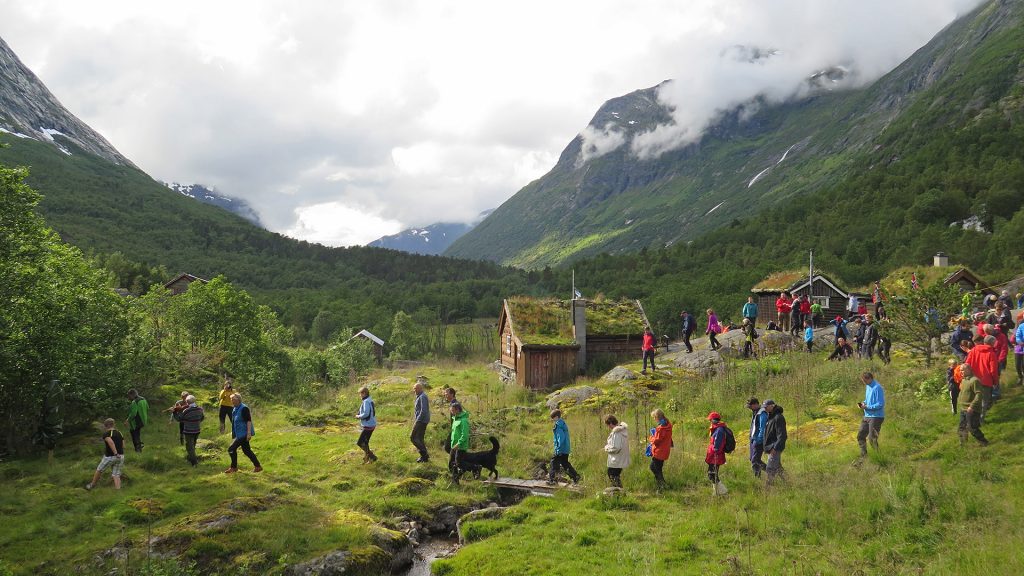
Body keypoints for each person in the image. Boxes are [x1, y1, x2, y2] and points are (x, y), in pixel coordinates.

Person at [225, 393, 262, 473]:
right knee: (246, 450)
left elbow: (248, 421)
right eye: (231, 399)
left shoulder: (244, 408)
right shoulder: (235, 408)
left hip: (244, 433)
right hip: (239, 433)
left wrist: (249, 433)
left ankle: (233, 468)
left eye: (233, 399)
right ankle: (258, 467)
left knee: (231, 449)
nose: (232, 401)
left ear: (238, 400)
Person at [965, 335, 998, 419]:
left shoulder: (973, 350)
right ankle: (980, 420)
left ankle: (970, 418)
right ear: (992, 343)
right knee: (984, 402)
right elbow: (993, 370)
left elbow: (967, 364)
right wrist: (995, 382)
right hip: (986, 381)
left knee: (973, 400)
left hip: (973, 380)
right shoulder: (991, 353)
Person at [86, 418, 124, 490]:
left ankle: (92, 485)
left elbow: (111, 442)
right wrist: (119, 452)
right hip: (121, 456)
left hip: (111, 456)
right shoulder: (119, 433)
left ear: (105, 426)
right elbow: (123, 445)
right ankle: (118, 490)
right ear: (114, 424)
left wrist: (115, 453)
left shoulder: (107, 433)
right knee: (116, 474)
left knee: (99, 469)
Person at [957, 364, 989, 446]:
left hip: (972, 409)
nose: (961, 372)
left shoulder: (974, 380)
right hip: (963, 409)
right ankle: (963, 444)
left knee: (972, 428)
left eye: (963, 370)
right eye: (960, 370)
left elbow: (979, 395)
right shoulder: (963, 380)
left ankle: (984, 442)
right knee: (962, 427)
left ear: (969, 370)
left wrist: (972, 406)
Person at [856, 372, 885, 459]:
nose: (864, 383)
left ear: (869, 378)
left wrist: (867, 407)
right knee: (860, 436)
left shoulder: (877, 388)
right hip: (867, 416)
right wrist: (863, 403)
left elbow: (880, 404)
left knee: (872, 439)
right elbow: (868, 399)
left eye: (864, 381)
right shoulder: (868, 386)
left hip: (876, 417)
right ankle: (863, 456)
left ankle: (879, 458)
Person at [548, 409, 580, 485]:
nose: (552, 420)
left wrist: (558, 449)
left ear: (556, 417)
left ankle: (552, 480)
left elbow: (560, 438)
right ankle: (576, 477)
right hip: (566, 448)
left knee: (553, 462)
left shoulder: (558, 425)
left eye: (553, 418)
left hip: (561, 449)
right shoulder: (563, 423)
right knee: (565, 464)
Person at [173, 395, 205, 467]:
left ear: (187, 402)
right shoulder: (200, 409)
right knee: (193, 445)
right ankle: (190, 458)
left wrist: (174, 412)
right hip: (197, 430)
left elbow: (179, 419)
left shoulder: (186, 410)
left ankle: (194, 462)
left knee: (189, 447)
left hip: (189, 431)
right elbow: (202, 418)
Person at [762, 399, 787, 484]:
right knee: (778, 467)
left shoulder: (778, 417)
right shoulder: (770, 416)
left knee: (770, 468)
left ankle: (768, 488)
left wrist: (775, 448)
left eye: (766, 407)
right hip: (770, 447)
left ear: (772, 406)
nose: (765, 409)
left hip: (775, 448)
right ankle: (789, 482)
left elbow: (782, 435)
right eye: (764, 407)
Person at [648, 409, 673, 491]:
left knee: (654, 467)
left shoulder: (661, 428)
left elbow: (657, 440)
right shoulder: (668, 424)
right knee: (657, 468)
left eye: (654, 418)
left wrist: (651, 438)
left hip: (659, 451)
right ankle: (662, 484)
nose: (654, 419)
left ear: (657, 417)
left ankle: (662, 485)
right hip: (664, 450)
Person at [603, 414, 630, 488]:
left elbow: (616, 448)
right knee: (614, 475)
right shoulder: (622, 430)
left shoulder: (617, 433)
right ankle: (618, 493)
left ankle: (618, 493)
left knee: (612, 474)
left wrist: (607, 448)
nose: (608, 427)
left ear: (611, 423)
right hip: (620, 458)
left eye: (608, 425)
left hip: (617, 459)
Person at [705, 412, 728, 495]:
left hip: (715, 455)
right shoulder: (718, 428)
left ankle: (723, 491)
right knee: (712, 474)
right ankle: (716, 492)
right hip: (714, 455)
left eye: (710, 420)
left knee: (712, 474)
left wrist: (714, 453)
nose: (710, 421)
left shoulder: (719, 430)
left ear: (713, 420)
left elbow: (717, 446)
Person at [355, 386, 378, 463]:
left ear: (364, 393)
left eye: (360, 393)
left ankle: (372, 456)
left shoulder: (366, 402)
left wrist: (358, 416)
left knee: (360, 443)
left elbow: (366, 414)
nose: (360, 395)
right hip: (371, 424)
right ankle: (367, 459)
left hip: (368, 425)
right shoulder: (369, 400)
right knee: (365, 442)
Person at [449, 402, 470, 483]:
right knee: (451, 464)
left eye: (453, 410)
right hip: (453, 445)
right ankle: (455, 480)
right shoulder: (455, 419)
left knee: (459, 464)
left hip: (460, 446)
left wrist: (459, 444)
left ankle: (475, 467)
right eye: (451, 411)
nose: (452, 412)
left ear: (458, 410)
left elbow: (464, 435)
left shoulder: (464, 420)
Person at [747, 398, 767, 478]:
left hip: (758, 440)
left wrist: (759, 439)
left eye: (750, 406)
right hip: (753, 439)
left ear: (755, 404)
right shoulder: (755, 412)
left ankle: (769, 472)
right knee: (752, 459)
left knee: (755, 460)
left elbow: (763, 428)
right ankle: (770, 471)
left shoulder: (762, 413)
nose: (749, 408)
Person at [411, 381, 430, 462]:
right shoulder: (420, 396)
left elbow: (424, 410)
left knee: (413, 437)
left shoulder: (422, 396)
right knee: (420, 438)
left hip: (421, 420)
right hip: (422, 420)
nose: (414, 390)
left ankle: (424, 454)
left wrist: (417, 420)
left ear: (420, 388)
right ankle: (424, 457)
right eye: (414, 389)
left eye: (415, 389)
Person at [1015, 316, 1024, 385]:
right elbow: (1017, 335)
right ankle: (1020, 376)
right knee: (1017, 364)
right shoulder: (1021, 326)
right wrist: (1019, 341)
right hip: (1020, 346)